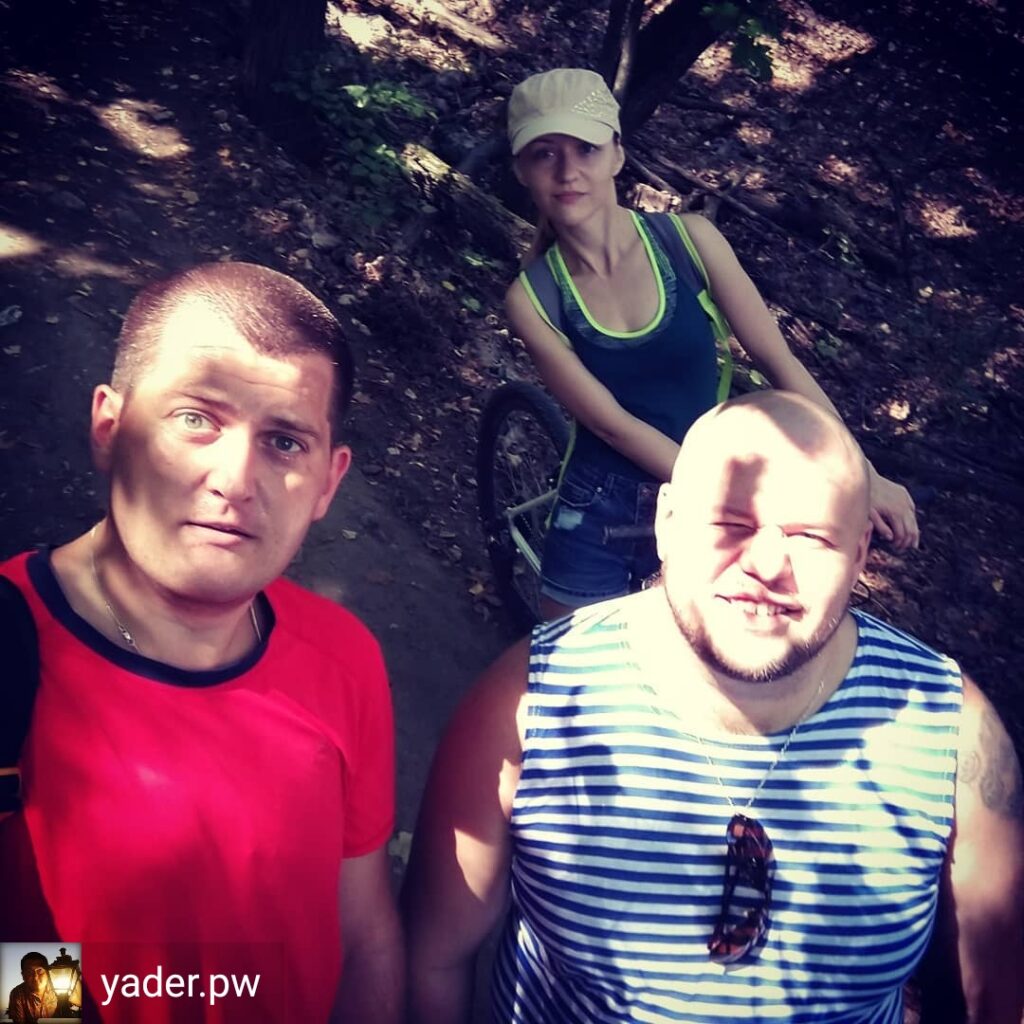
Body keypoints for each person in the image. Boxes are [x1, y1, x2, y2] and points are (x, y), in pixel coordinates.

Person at [404, 391, 1023, 1023]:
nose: (768, 565)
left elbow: (996, 997)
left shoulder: (951, 736)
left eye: (811, 537)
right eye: (732, 523)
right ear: (667, 523)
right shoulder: (532, 704)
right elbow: (432, 959)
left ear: (861, 551)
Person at [0, 263, 402, 1022]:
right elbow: (21, 956)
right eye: (195, 419)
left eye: (284, 442)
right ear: (110, 427)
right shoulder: (14, 652)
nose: (235, 480)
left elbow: (362, 932)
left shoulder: (344, 657)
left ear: (328, 481)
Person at [504, 67, 919, 619]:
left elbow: (777, 360)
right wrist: (732, 498)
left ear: (617, 155)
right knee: (567, 660)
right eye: (544, 154)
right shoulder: (533, 299)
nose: (568, 171)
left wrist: (861, 471)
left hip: (716, 495)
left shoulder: (690, 242)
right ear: (521, 170)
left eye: (586, 148)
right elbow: (611, 425)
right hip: (603, 504)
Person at [6, 952, 57, 1024]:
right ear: (23, 975)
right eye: (29, 972)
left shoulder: (59, 988)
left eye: (39, 971)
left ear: (47, 973)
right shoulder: (17, 993)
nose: (35, 977)